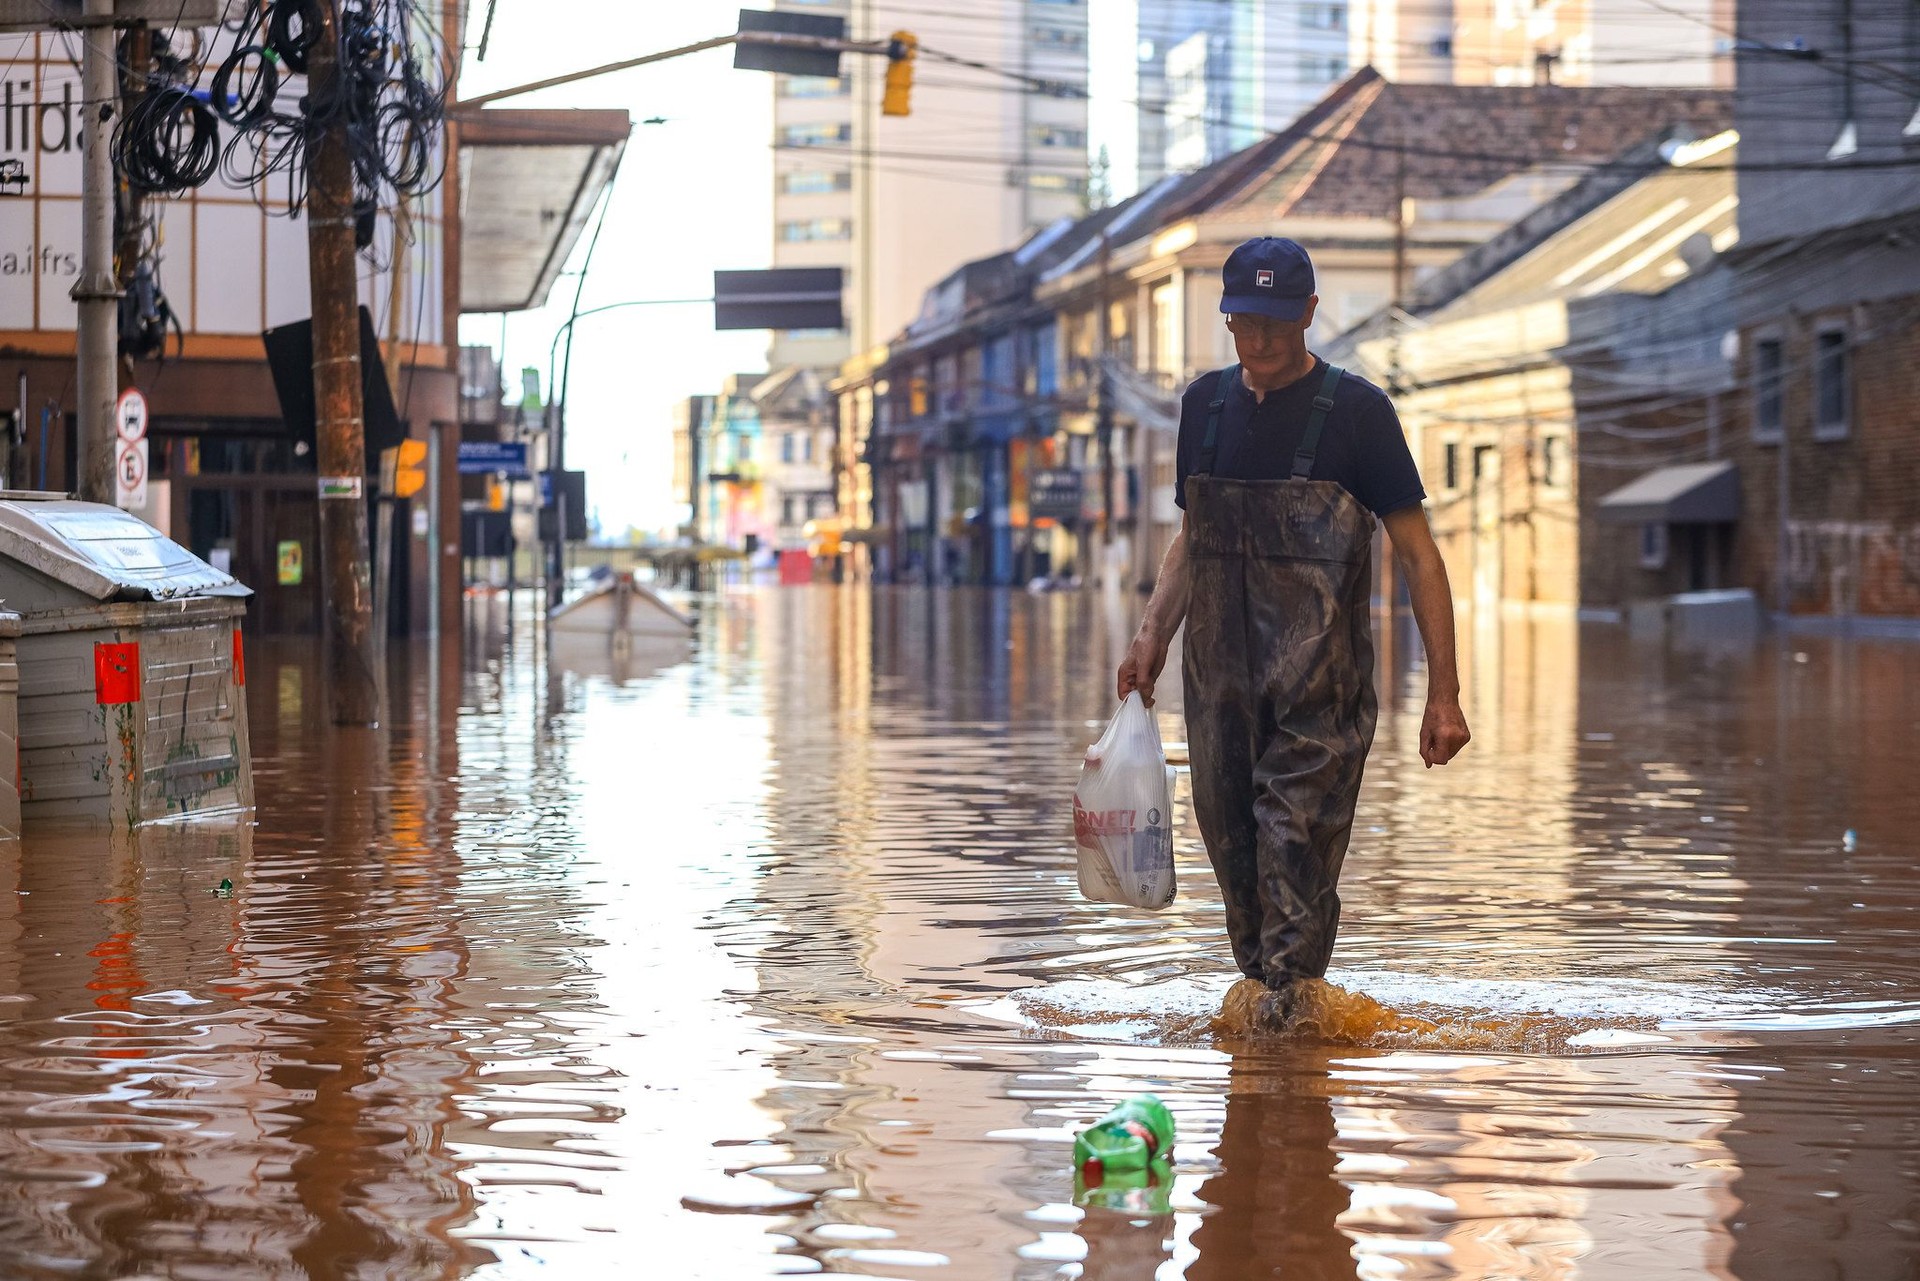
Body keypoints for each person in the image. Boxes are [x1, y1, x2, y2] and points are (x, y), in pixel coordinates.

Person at [1115, 236, 1470, 1023]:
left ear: (1310, 313)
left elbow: (1418, 551)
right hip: (1218, 697)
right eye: (1246, 321)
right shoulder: (1203, 407)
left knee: (1294, 861)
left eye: (1278, 321)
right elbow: (1190, 539)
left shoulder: (1358, 413)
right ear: (1228, 319)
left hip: (1321, 702)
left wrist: (1443, 693)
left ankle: (1292, 1074)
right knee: (1241, 882)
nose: (1263, 340)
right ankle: (1272, 1088)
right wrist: (1150, 637)